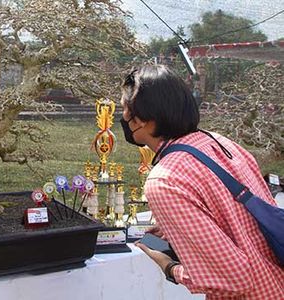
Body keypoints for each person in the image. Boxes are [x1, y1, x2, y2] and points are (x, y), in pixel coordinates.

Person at [119, 65, 284, 299]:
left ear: (144, 118)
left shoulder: (164, 180)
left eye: (126, 109)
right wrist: (179, 229)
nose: (124, 117)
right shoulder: (221, 143)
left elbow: (235, 278)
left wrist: (169, 266)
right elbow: (248, 220)